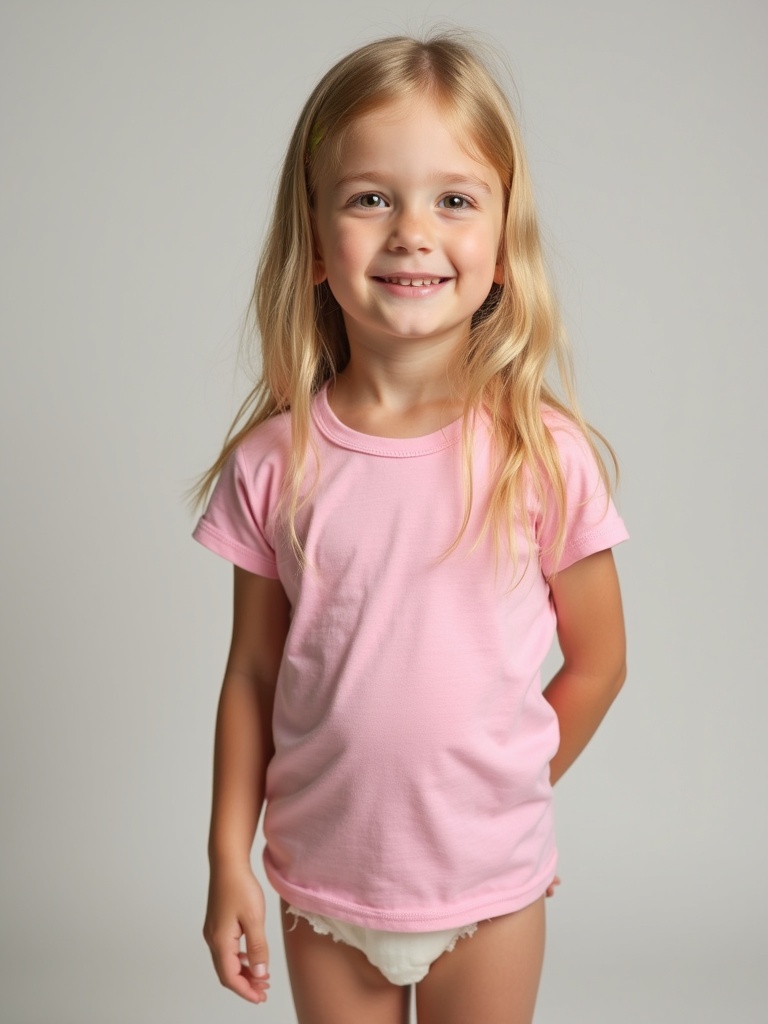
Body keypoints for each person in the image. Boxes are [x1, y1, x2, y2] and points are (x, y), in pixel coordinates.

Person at [191, 31, 628, 1024]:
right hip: (322, 890)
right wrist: (227, 861)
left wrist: (499, 786)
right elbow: (253, 673)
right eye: (370, 197)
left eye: (454, 199)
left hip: (491, 892)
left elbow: (599, 659)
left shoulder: (539, 453)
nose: (412, 232)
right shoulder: (275, 463)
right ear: (314, 233)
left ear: (503, 237)